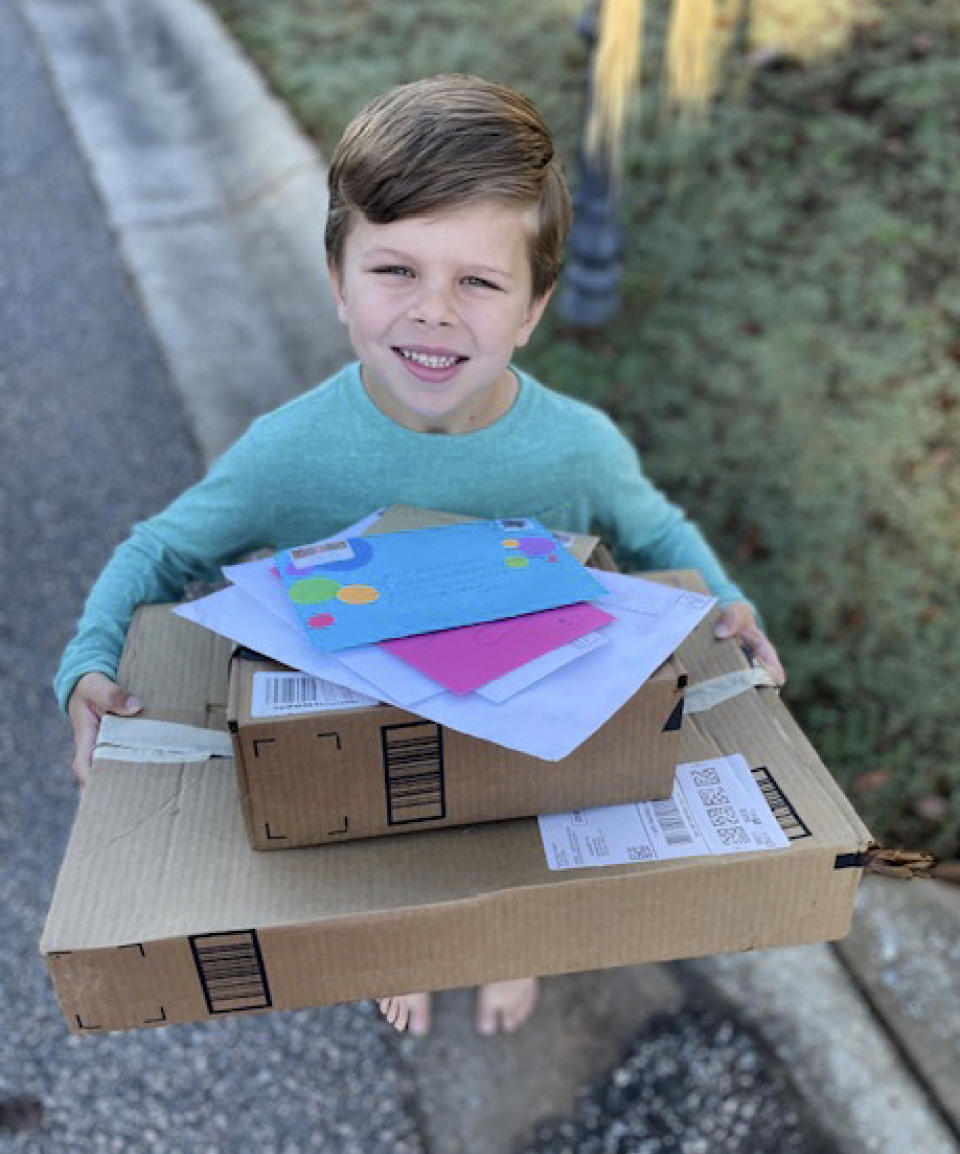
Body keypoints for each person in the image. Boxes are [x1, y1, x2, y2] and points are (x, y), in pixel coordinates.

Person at [56, 74, 785, 1039]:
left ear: (531, 307)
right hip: (366, 734)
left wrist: (729, 607)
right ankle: (413, 947)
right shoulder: (292, 451)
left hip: (535, 735)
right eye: (396, 270)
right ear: (338, 281)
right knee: (395, 847)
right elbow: (159, 550)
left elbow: (659, 536)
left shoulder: (578, 447)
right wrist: (90, 660)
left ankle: (510, 948)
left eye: (478, 281)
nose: (434, 312)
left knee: (524, 852)